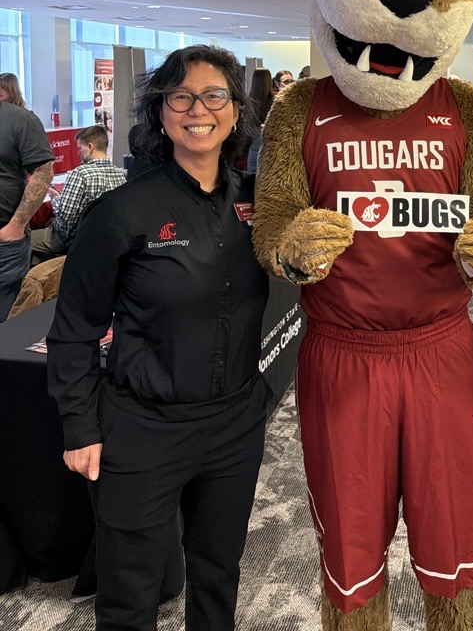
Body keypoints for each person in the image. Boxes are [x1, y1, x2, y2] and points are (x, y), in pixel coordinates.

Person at [47, 45, 271, 631]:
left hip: (234, 424)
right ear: (161, 111)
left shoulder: (259, 203)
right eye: (181, 97)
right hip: (144, 429)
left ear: (235, 110)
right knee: (129, 594)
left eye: (214, 95)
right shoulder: (121, 211)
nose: (198, 110)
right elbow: (73, 330)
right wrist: (79, 425)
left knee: (218, 575)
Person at [29, 125, 125, 266]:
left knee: (23, 238)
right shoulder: (119, 175)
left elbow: (65, 219)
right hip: (104, 241)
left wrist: (55, 199)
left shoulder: (80, 174)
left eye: (80, 148)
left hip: (72, 240)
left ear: (90, 147)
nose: (78, 153)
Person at [0, 88, 54, 320]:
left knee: (6, 319)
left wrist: (16, 225)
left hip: (5, 242)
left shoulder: (19, 119)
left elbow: (43, 172)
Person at [245, 67, 272, 173]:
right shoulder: (275, 103)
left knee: (251, 180)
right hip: (269, 151)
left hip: (253, 149)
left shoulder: (247, 103)